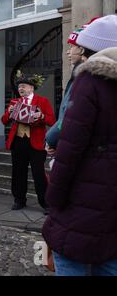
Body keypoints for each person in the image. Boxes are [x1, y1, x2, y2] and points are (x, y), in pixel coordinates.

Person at [43, 46, 117, 276]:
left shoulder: (91, 80)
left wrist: (54, 199)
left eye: (76, 46)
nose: (69, 51)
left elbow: (70, 147)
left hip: (82, 203)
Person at [1, 71, 55, 213]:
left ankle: (45, 203)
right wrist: (9, 112)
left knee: (39, 174)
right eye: (19, 87)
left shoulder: (42, 101)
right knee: (18, 172)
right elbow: (4, 120)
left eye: (24, 86)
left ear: (31, 88)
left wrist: (41, 115)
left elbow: (51, 120)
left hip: (36, 142)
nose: (21, 89)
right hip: (18, 142)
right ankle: (19, 200)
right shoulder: (14, 102)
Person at [45, 17, 98, 155]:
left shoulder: (81, 76)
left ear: (82, 50)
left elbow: (69, 117)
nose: (68, 52)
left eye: (71, 46)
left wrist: (51, 138)